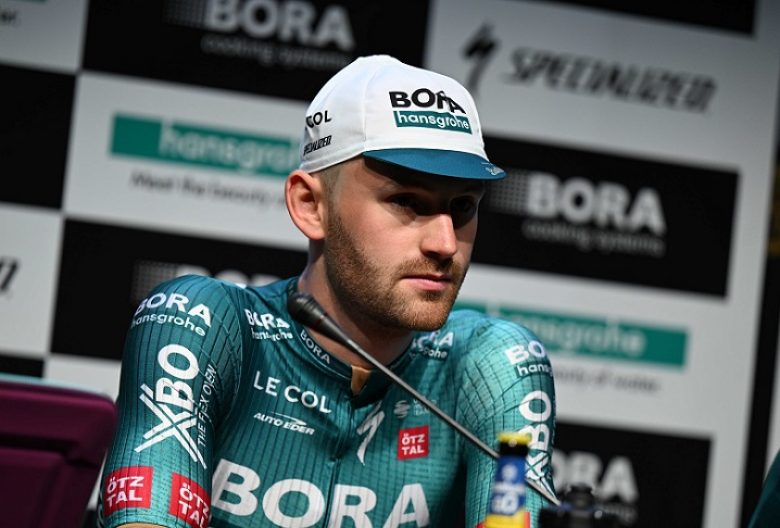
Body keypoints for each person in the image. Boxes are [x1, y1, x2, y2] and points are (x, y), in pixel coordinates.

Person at [96, 54, 556, 528]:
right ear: (310, 205)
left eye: (462, 208)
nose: (444, 244)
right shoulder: (201, 324)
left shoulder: (491, 364)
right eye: (406, 202)